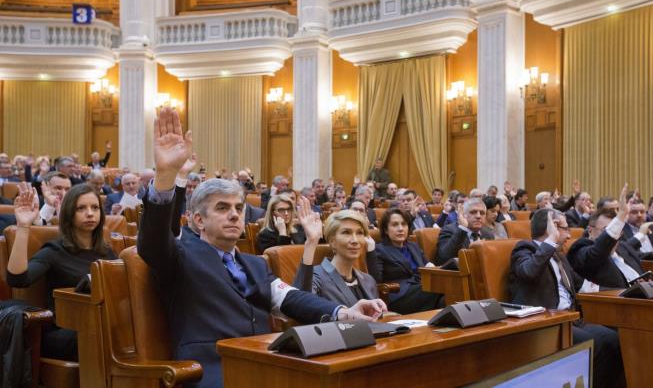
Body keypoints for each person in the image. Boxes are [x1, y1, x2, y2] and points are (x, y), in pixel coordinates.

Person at [138, 108, 383, 388]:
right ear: (199, 220)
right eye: (222, 208)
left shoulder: (256, 264)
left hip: (267, 363)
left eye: (238, 208)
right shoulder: (180, 256)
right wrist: (166, 176)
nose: (234, 215)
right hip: (211, 371)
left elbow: (292, 299)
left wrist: (344, 312)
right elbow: (153, 241)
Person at [509, 208, 625, 388]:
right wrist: (550, 240)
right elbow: (528, 272)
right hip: (547, 322)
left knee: (615, 340)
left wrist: (625, 292)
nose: (569, 235)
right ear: (553, 227)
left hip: (572, 318)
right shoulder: (525, 248)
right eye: (565, 229)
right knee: (596, 344)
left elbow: (583, 286)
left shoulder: (559, 257)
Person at [6, 183, 116, 361]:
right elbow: (17, 279)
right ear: (69, 213)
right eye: (81, 208)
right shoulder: (54, 250)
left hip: (101, 323)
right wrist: (23, 226)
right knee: (99, 335)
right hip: (64, 330)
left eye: (95, 208)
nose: (90, 213)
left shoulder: (107, 252)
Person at [294, 198, 386, 308]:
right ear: (332, 241)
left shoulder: (368, 280)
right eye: (346, 232)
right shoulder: (315, 276)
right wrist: (311, 242)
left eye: (360, 233)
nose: (355, 240)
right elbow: (300, 305)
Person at [367, 208, 444, 314]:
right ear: (385, 230)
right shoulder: (379, 250)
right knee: (439, 286)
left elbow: (428, 265)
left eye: (404, 224)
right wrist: (370, 251)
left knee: (445, 299)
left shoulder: (413, 246)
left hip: (422, 290)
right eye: (395, 225)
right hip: (399, 295)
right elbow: (376, 280)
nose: (400, 229)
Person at [568, 206, 653, 289]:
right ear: (590, 231)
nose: (614, 237)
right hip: (616, 298)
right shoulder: (582, 249)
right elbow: (597, 252)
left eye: (618, 230)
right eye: (607, 230)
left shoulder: (623, 247)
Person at [436, 198, 494, 266]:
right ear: (463, 215)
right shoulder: (449, 230)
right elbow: (444, 257)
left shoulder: (488, 234)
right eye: (473, 212)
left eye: (482, 213)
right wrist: (463, 228)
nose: (478, 216)